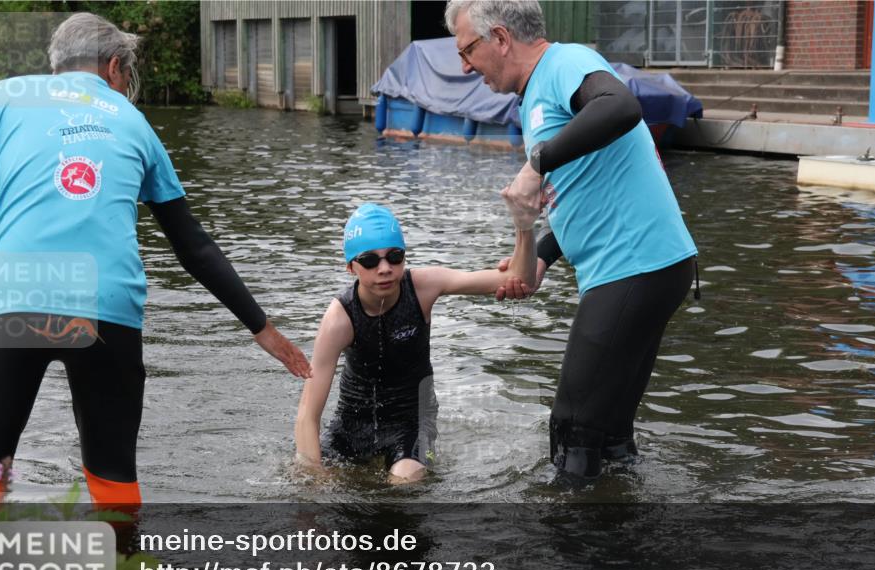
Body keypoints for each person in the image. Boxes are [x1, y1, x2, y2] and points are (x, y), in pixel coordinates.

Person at [0, 13, 311, 505]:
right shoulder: (133, 121)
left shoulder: (5, 97)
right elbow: (193, 245)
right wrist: (261, 327)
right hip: (107, 309)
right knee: (112, 477)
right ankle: (121, 554)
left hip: (14, 298)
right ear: (114, 66)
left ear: (56, 64)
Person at [445, 0, 699, 479]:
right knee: (607, 430)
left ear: (500, 38)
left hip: (635, 266)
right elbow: (584, 187)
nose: (464, 66)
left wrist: (536, 163)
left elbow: (620, 106)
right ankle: (623, 518)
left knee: (572, 426)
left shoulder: (565, 63)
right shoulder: (536, 94)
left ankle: (566, 526)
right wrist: (542, 254)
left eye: (467, 50)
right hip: (647, 267)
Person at [295, 201, 536, 482]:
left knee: (405, 481)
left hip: (412, 421)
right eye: (370, 261)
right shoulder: (339, 319)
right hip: (351, 425)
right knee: (306, 476)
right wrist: (315, 478)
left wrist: (524, 225)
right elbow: (307, 415)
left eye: (394, 257)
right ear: (351, 267)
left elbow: (518, 278)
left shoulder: (423, 287)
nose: (385, 268)